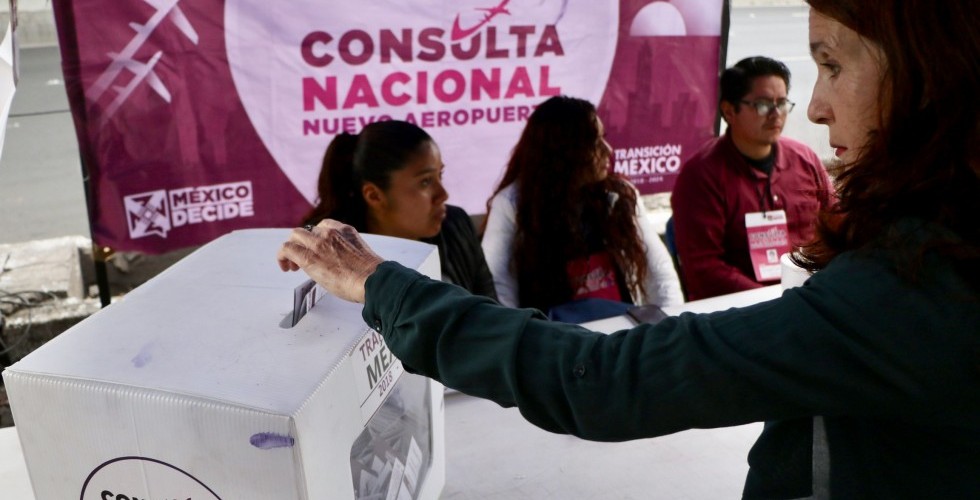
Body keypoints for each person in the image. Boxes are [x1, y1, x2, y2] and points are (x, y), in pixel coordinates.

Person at [278, 0, 980, 496]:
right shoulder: (512, 210)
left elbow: (608, 375)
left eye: (830, 64)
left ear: (928, 72)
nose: (815, 108)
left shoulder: (911, 290)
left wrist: (383, 285)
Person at [481, 95, 683, 317]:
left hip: (623, 328)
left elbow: (659, 271)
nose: (608, 150)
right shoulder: (512, 204)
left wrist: (670, 325)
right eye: (595, 143)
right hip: (554, 334)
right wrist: (523, 333)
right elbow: (497, 284)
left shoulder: (618, 196)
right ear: (565, 152)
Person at [670, 56, 834, 300]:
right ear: (729, 111)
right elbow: (704, 271)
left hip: (812, 294)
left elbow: (836, 222)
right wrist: (776, 300)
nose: (776, 114)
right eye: (763, 105)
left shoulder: (804, 159)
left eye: (782, 103)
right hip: (742, 307)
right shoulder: (700, 176)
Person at [302, 120, 497, 300]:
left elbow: (492, 314)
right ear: (374, 196)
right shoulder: (327, 254)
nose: (443, 195)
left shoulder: (456, 225)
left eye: (440, 175)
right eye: (425, 182)